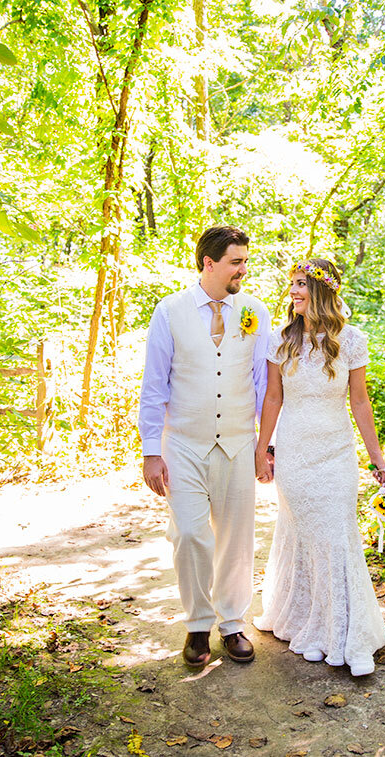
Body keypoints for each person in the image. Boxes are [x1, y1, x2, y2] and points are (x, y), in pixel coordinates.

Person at [138, 225, 271, 667]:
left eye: (245, 261)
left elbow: (263, 382)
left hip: (237, 441)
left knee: (236, 538)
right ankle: (198, 624)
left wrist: (265, 446)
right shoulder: (170, 310)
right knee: (192, 535)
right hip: (184, 445)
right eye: (236, 262)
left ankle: (232, 624)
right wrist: (151, 450)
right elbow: (154, 384)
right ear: (208, 264)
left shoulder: (254, 310)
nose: (243, 270)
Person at [253, 258, 385, 676]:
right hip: (295, 452)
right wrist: (263, 449)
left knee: (336, 534)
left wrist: (377, 458)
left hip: (336, 452)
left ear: (323, 292)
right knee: (306, 533)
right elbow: (272, 399)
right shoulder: (280, 340)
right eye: (291, 285)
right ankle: (310, 626)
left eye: (301, 286)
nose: (293, 293)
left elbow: (360, 401)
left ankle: (348, 635)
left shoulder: (352, 340)